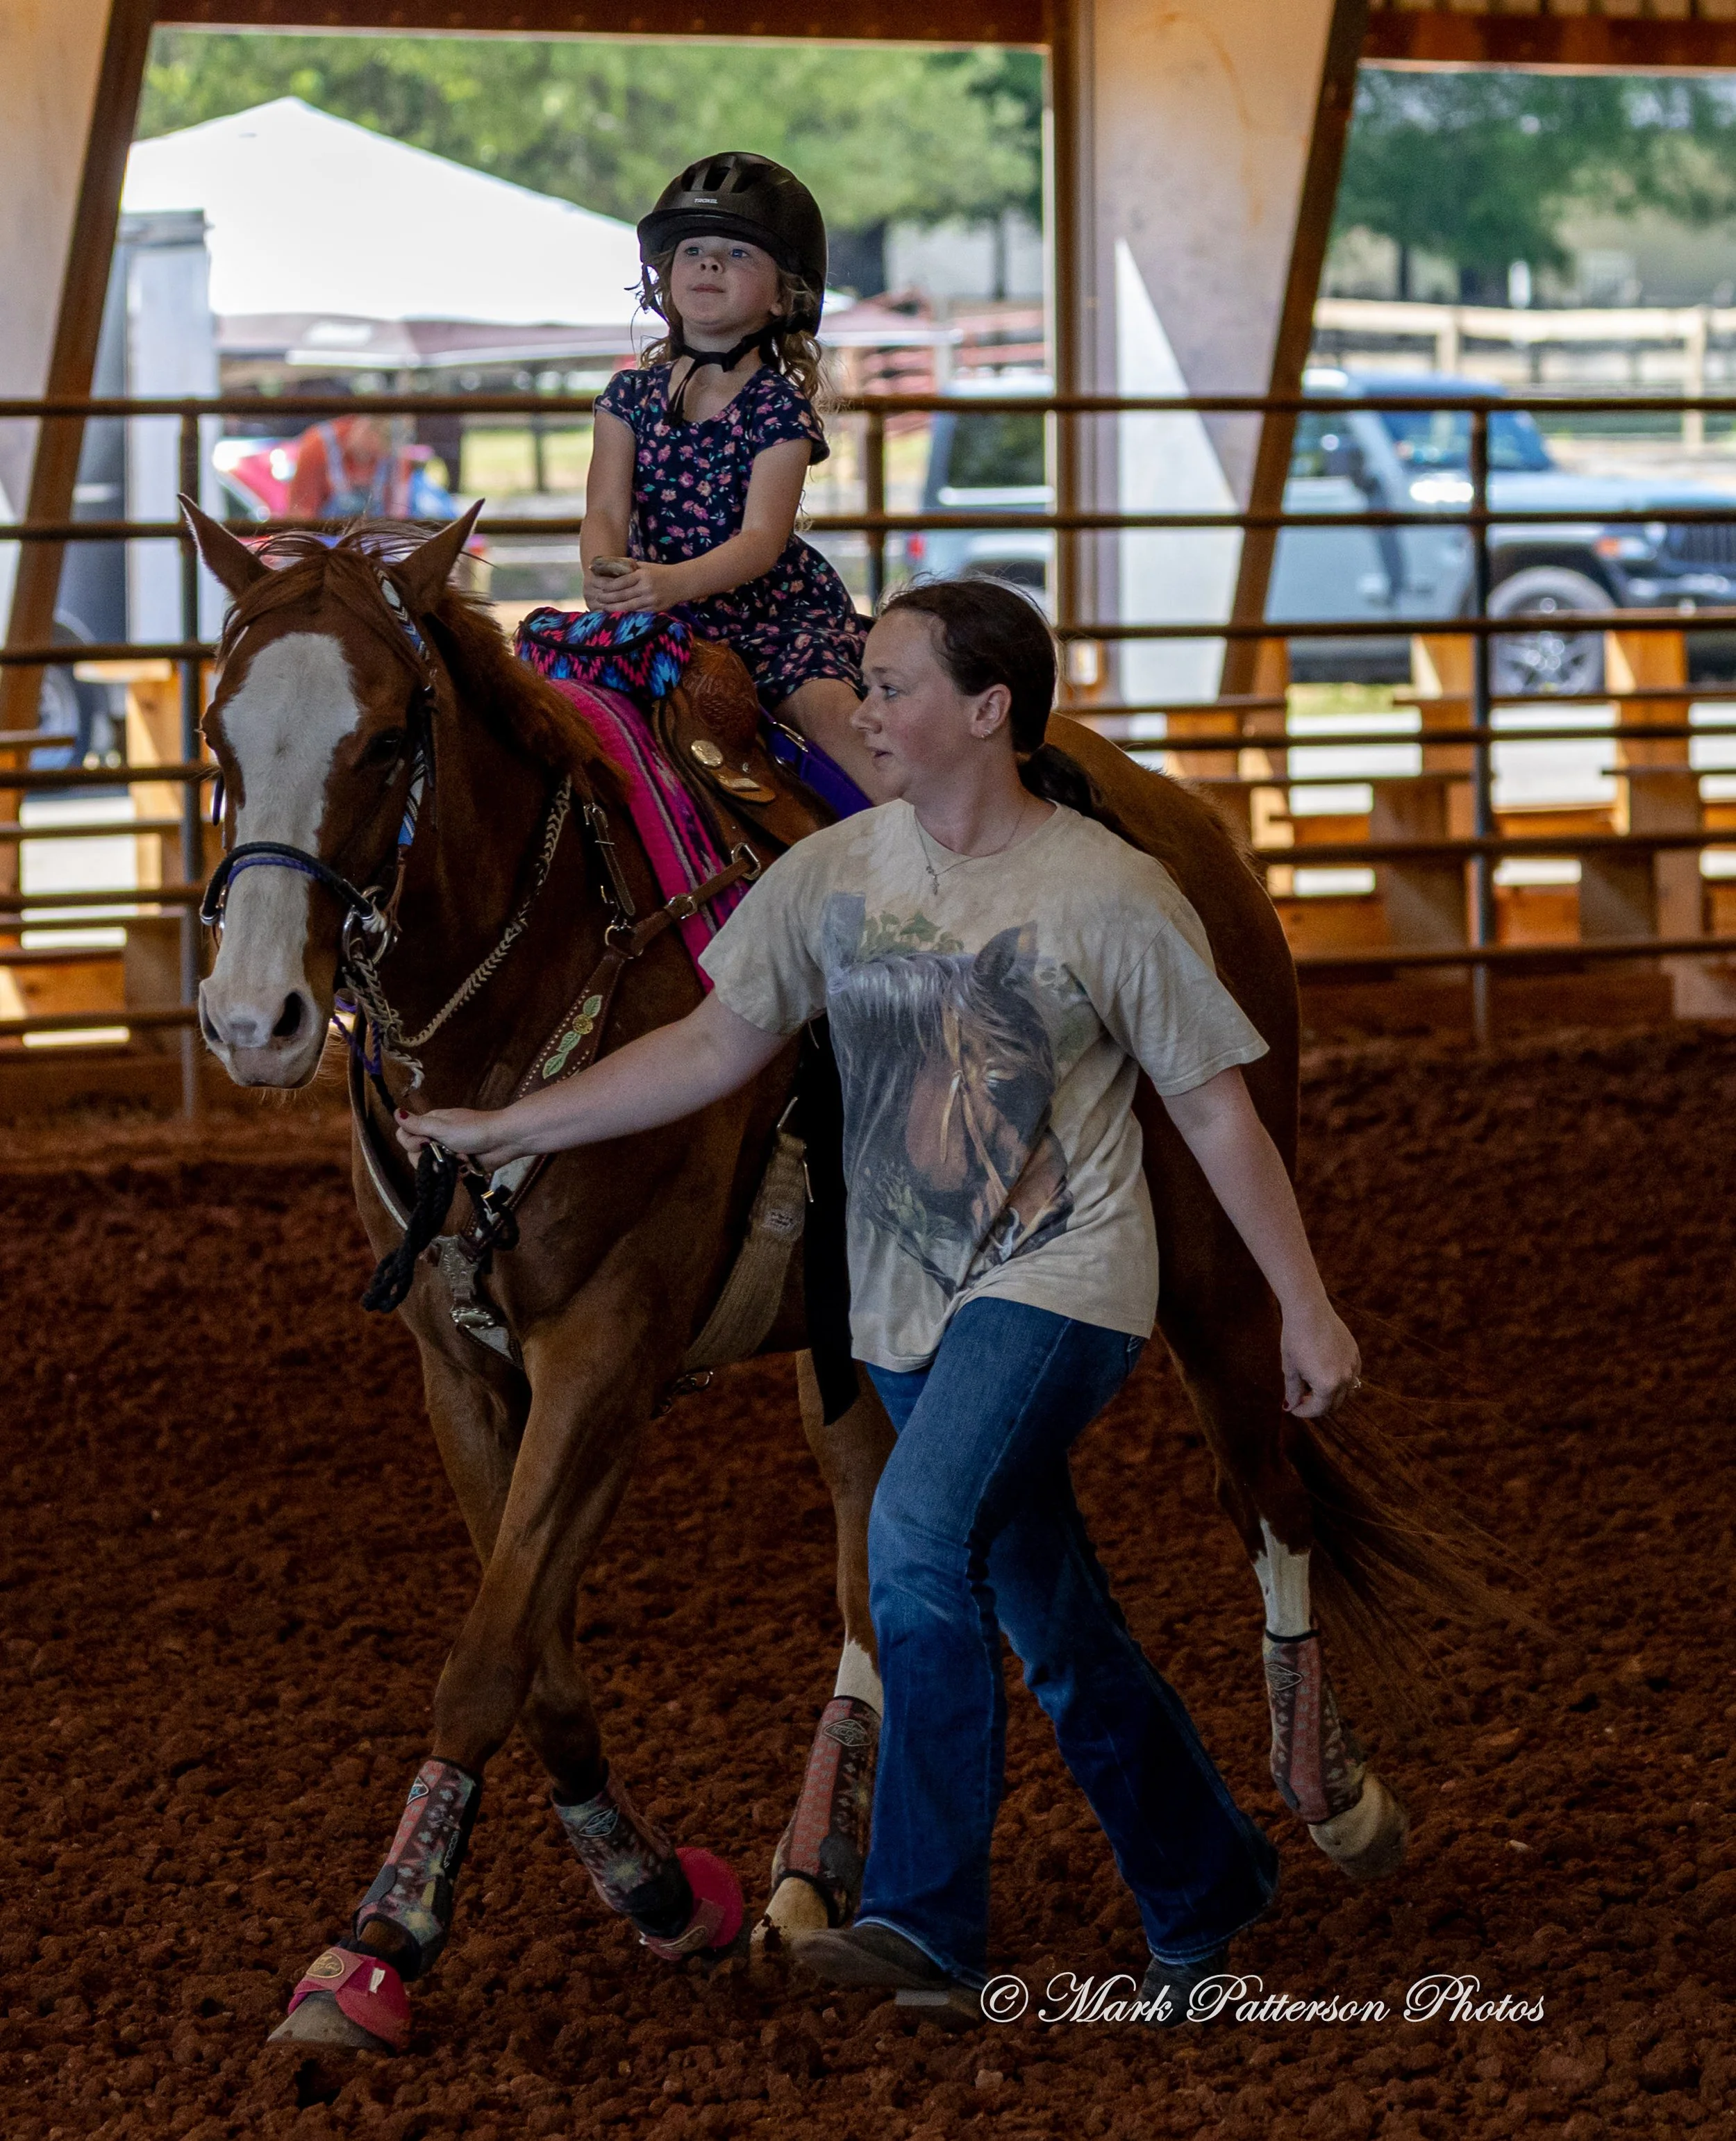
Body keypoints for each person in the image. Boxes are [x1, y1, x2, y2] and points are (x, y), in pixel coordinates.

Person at [397, 577, 1360, 2016]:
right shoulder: (835, 872)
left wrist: (1304, 1302)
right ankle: (1203, 1882)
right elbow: (712, 1043)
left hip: (1054, 1283)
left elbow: (1216, 1114)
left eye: (890, 681)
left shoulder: (1107, 889)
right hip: (898, 1306)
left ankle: (924, 1919)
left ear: (987, 710)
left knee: (911, 1540)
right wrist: (510, 1126)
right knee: (1050, 1623)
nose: (857, 707)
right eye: (860, 677)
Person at [581, 152, 879, 797]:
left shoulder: (777, 407)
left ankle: (923, 838)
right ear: (666, 279)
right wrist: (605, 577)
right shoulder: (628, 398)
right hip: (654, 611)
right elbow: (605, 509)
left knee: (831, 718)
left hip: (766, 617)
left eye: (739, 254)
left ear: (783, 296)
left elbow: (760, 541)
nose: (710, 263)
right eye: (693, 250)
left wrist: (670, 584)